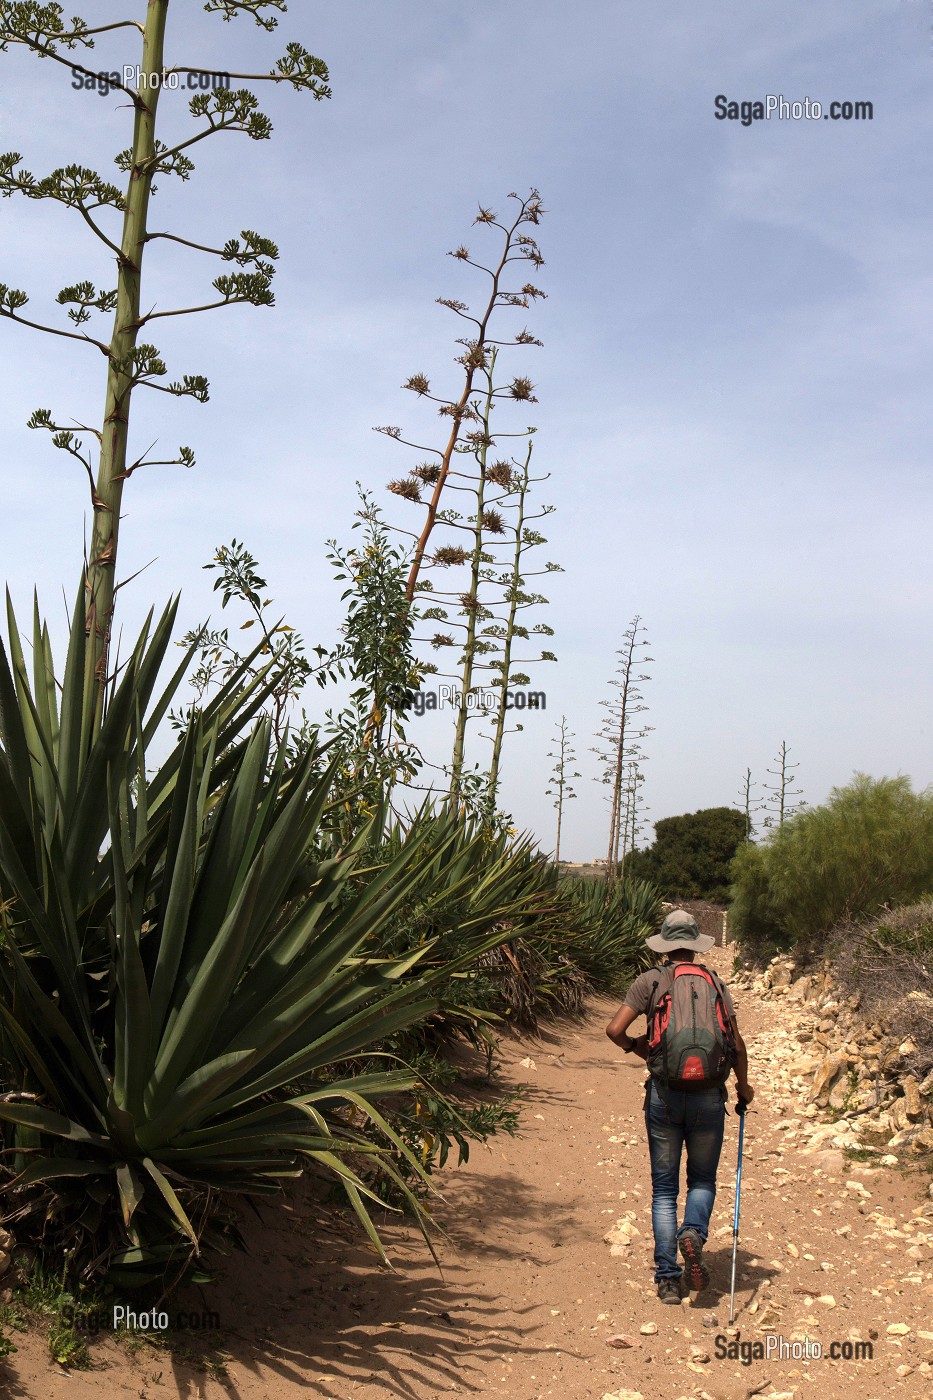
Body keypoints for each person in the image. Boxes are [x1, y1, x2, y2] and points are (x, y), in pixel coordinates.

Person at [606, 909, 754, 1304]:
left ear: (665, 945)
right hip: (709, 1095)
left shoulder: (650, 981)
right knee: (703, 1180)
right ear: (694, 944)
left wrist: (637, 1049)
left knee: (664, 1189)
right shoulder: (717, 983)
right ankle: (694, 1232)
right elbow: (736, 1044)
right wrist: (743, 1087)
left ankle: (669, 1278)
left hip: (665, 1096)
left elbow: (613, 1029)